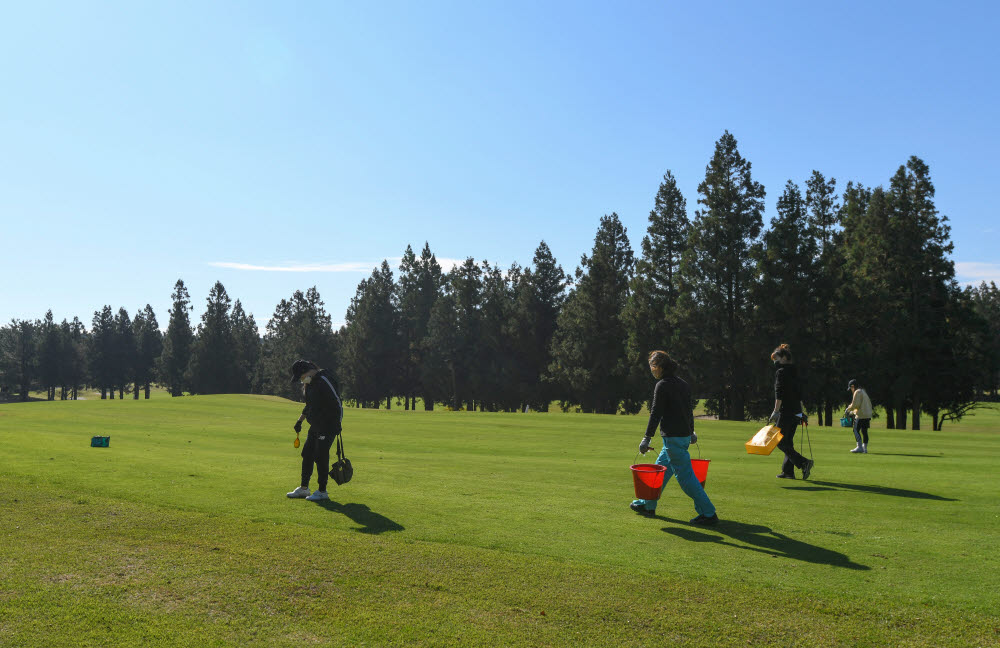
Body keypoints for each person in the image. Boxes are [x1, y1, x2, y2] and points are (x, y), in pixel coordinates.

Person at [630, 350, 718, 525]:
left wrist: (647, 437)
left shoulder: (662, 385)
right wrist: (691, 431)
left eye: (652, 367)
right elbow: (688, 410)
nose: (651, 371)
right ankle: (648, 504)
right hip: (682, 436)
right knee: (660, 470)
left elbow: (656, 413)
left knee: (686, 478)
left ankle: (708, 513)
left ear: (659, 367)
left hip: (674, 438)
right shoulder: (683, 384)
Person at [286, 359, 344, 502]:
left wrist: (337, 424)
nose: (301, 380)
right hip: (316, 425)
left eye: (301, 377)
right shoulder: (310, 384)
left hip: (328, 425)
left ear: (307, 371)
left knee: (321, 456)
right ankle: (304, 488)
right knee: (307, 454)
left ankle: (322, 491)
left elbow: (337, 403)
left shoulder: (324, 380)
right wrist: (299, 421)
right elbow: (309, 406)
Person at [768, 344, 814, 480]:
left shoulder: (781, 372)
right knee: (788, 441)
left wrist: (775, 411)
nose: (775, 362)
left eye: (776, 359)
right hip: (795, 411)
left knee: (780, 441)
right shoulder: (795, 371)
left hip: (785, 411)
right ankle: (788, 471)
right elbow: (798, 394)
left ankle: (803, 462)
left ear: (783, 358)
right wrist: (801, 412)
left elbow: (779, 393)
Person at [845, 379, 873, 454]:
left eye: (851, 388)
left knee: (855, 430)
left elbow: (855, 405)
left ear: (853, 386)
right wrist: (852, 411)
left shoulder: (857, 392)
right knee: (864, 431)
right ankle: (865, 449)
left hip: (861, 415)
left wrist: (847, 409)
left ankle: (859, 447)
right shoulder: (863, 391)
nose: (851, 390)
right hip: (867, 414)